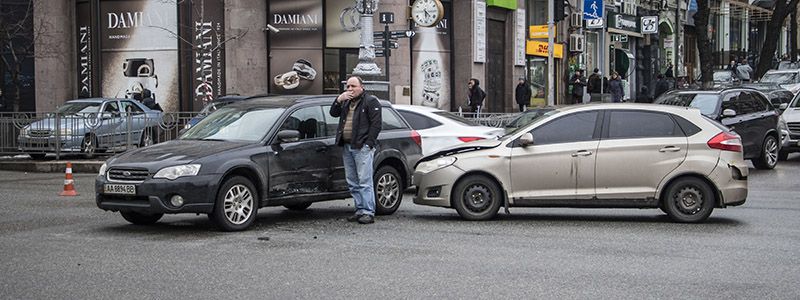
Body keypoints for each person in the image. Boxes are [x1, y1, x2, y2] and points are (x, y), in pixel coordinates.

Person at [329, 76, 382, 225]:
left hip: (362, 147)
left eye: (353, 86)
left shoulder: (370, 101)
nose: (350, 89)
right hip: (347, 146)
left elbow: (376, 125)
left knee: (364, 180)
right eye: (348, 87)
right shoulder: (346, 102)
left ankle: (368, 212)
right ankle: (359, 210)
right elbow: (333, 113)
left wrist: (368, 144)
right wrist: (339, 99)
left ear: (361, 87)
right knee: (352, 181)